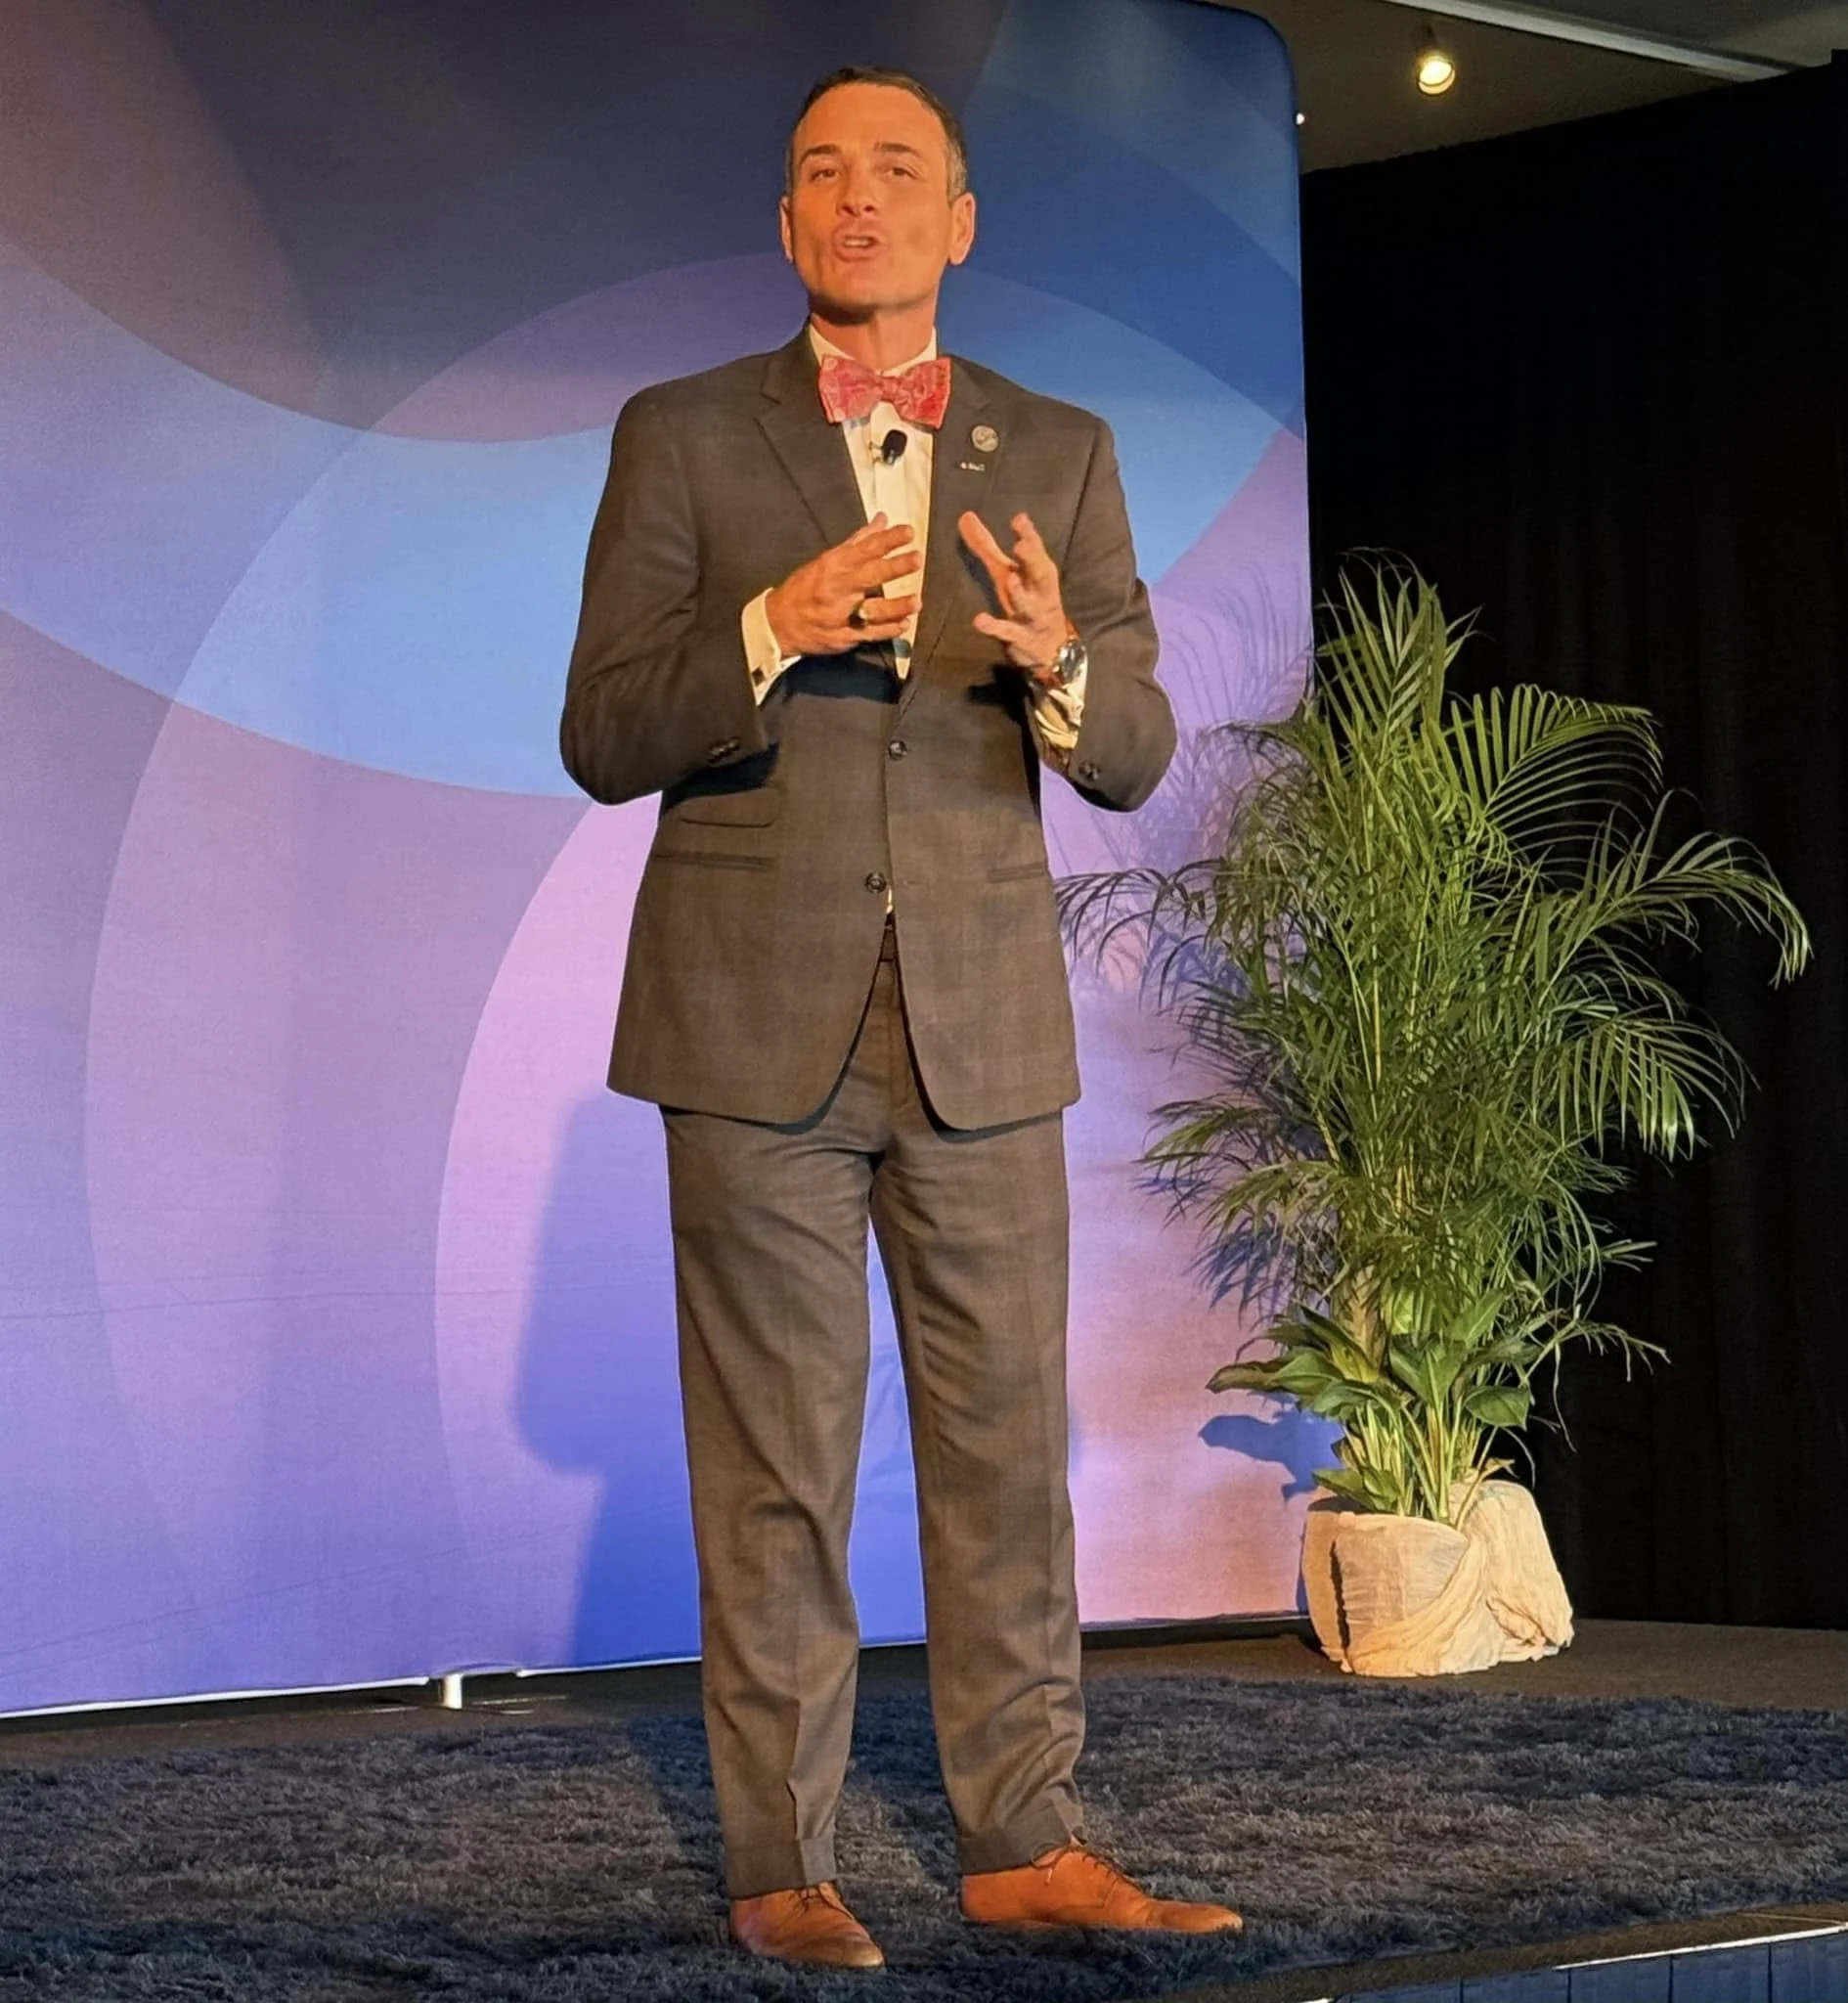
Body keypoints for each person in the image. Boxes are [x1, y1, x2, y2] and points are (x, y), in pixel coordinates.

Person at [561, 66, 1241, 1970]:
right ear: (788, 228)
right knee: (773, 1454)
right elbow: (604, 729)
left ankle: (1024, 1838)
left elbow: (1130, 750)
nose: (858, 200)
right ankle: (782, 1856)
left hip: (977, 1026)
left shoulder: (1066, 447)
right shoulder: (682, 434)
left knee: (1008, 1446)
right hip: (747, 1021)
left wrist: (1054, 668)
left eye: (899, 173)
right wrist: (768, 627)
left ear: (957, 221)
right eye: (820, 175)